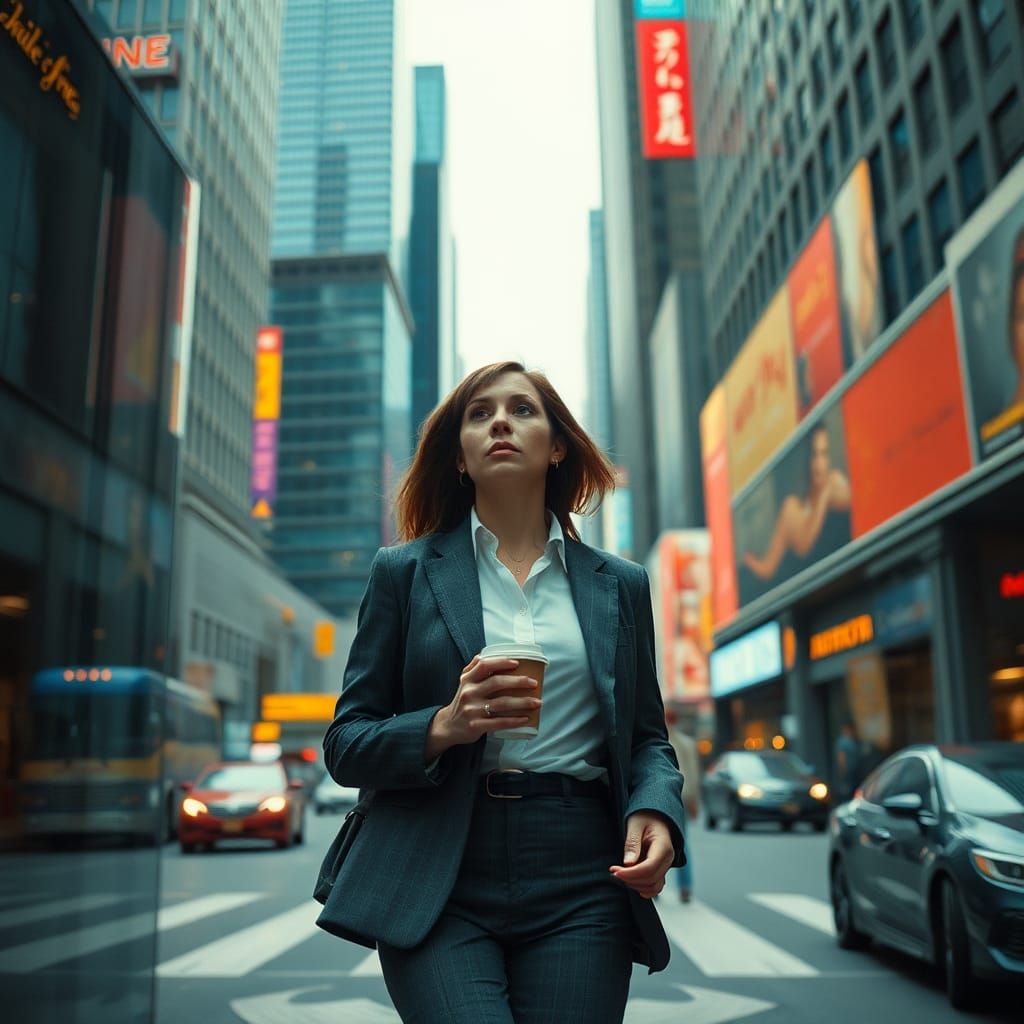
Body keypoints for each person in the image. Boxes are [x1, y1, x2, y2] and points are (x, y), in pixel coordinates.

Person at [321, 361, 686, 1024]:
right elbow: (346, 743)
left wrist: (657, 811)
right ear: (460, 457)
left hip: (583, 868)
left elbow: (646, 739)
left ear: (557, 446)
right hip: (437, 866)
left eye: (522, 410)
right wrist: (444, 725)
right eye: (479, 413)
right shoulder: (402, 573)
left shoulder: (620, 584)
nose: (499, 423)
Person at [742, 424, 852, 582]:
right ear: (806, 459)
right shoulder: (791, 509)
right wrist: (823, 497)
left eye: (824, 454)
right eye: (814, 455)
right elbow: (769, 567)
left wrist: (826, 494)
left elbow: (854, 501)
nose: (819, 463)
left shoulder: (835, 482)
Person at [663, 706, 699, 903]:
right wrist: (694, 800)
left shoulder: (659, 739)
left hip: (667, 795)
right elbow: (692, 775)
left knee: (657, 840)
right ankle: (685, 888)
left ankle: (659, 884)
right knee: (681, 843)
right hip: (682, 796)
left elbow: (693, 774)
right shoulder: (686, 743)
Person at [834, 720, 861, 802]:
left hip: (854, 770)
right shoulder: (843, 741)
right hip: (848, 771)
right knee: (847, 790)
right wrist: (843, 770)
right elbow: (841, 756)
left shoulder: (852, 740)